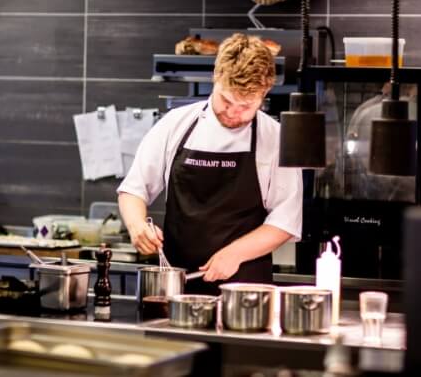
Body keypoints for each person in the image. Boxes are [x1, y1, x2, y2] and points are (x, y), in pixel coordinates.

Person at [117, 33, 303, 294]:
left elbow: (285, 221)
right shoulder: (176, 124)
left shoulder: (275, 139)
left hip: (245, 293)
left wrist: (235, 253)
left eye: (245, 106)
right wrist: (137, 225)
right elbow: (133, 190)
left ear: (264, 93)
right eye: (226, 100)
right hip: (177, 286)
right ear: (216, 78)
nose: (233, 112)